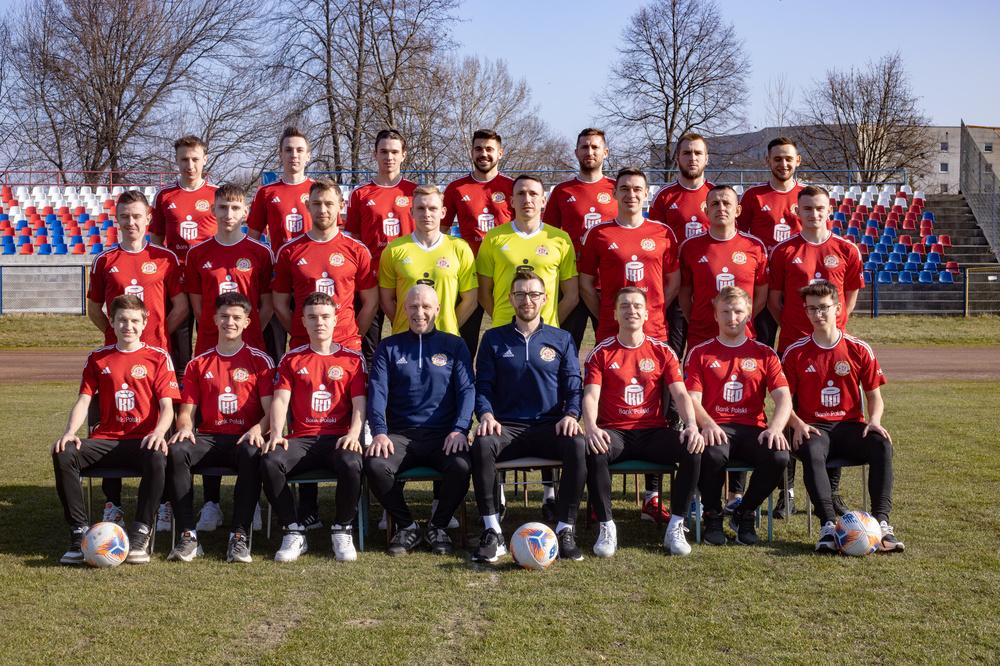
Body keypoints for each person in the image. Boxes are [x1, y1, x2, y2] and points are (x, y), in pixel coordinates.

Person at [271, 178, 377, 530]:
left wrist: (352, 333)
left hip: (347, 349)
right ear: (307, 206)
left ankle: (351, 506)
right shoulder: (290, 250)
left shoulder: (356, 249)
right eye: (316, 203)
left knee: (347, 421)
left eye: (329, 203)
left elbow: (370, 301)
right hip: (304, 350)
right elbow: (279, 302)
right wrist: (300, 331)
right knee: (304, 423)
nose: (323, 209)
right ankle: (308, 507)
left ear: (340, 206)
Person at [579, 167, 680, 522]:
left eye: (637, 188)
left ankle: (652, 498)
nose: (631, 194)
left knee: (659, 416)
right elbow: (587, 285)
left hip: (655, 335)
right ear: (614, 194)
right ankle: (599, 498)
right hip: (611, 336)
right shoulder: (599, 234)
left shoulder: (662, 233)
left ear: (646, 193)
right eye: (624, 188)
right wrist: (610, 317)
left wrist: (651, 313)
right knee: (607, 410)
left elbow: (672, 282)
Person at [85, 190, 187, 531]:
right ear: (117, 220)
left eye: (137, 216)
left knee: (161, 427)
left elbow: (181, 306)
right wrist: (115, 335)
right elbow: (93, 308)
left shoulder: (165, 258)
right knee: (111, 424)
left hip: (156, 358)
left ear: (148, 219)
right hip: (116, 360)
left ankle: (164, 503)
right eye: (125, 216)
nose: (131, 222)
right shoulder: (104, 260)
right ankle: (112, 504)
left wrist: (153, 336)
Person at [476, 174, 578, 517]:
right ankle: (500, 494)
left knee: (547, 405)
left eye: (534, 193)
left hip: (546, 338)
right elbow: (485, 291)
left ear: (543, 200)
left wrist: (549, 321)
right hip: (505, 337)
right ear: (511, 200)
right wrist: (503, 319)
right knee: (504, 406)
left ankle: (550, 494)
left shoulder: (559, 239)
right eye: (520, 193)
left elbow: (571, 293)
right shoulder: (494, 239)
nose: (527, 199)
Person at [52, 295, 179, 565]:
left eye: (134, 321)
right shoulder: (97, 358)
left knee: (158, 455)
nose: (128, 326)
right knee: (64, 452)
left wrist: (159, 432)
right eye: (122, 320)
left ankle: (141, 532)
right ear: (111, 321)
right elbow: (84, 400)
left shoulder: (158, 357)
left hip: (141, 442)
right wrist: (70, 432)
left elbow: (167, 407)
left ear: (144, 323)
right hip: (105, 440)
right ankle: (79, 533)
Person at [470, 271, 587, 563]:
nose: (527, 300)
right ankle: (493, 531)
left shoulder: (561, 338)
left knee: (577, 445)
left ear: (545, 299)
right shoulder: (493, 339)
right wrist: (486, 414)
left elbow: (574, 385)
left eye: (534, 294)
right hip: (506, 427)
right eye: (520, 294)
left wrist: (571, 414)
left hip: (549, 427)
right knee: (482, 445)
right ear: (511, 298)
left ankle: (565, 529)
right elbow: (482, 386)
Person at [782, 281, 903, 553]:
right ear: (806, 311)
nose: (818, 314)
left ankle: (882, 524)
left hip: (850, 427)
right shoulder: (795, 352)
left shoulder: (859, 348)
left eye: (824, 307)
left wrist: (875, 420)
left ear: (837, 308)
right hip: (814, 428)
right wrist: (797, 423)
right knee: (812, 449)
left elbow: (874, 396)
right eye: (812, 309)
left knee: (881, 444)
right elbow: (783, 400)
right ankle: (827, 526)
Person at [582, 287, 704, 557]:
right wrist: (591, 428)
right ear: (615, 314)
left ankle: (676, 526)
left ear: (647, 314)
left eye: (637, 306)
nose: (632, 311)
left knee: (692, 447)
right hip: (615, 433)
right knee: (594, 448)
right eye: (624, 306)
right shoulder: (601, 352)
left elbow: (680, 394)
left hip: (653, 433)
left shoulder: (663, 351)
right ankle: (607, 527)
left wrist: (692, 426)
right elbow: (591, 395)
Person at [768, 185, 864, 515]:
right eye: (807, 208)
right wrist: (798, 331)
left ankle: (831, 491)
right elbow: (775, 301)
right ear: (797, 212)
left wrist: (830, 331)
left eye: (819, 208)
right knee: (789, 413)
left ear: (829, 210)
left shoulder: (847, 249)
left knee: (833, 415)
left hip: (833, 349)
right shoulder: (783, 251)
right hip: (793, 347)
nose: (814, 214)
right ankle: (787, 491)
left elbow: (849, 298)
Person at [364, 285, 475, 556]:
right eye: (413, 306)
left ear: (438, 309)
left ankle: (438, 526)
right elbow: (377, 392)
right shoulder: (388, 347)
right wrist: (379, 432)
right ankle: (407, 526)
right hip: (400, 435)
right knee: (375, 465)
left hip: (443, 436)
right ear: (404, 309)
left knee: (461, 466)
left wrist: (460, 429)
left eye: (426, 307)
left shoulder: (455, 345)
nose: (419, 313)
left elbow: (467, 390)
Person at [166, 292, 274, 563]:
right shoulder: (198, 363)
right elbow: (186, 412)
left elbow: (271, 412)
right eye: (224, 316)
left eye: (237, 317)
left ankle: (239, 536)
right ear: (214, 319)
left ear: (247, 322)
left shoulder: (260, 361)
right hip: (209, 438)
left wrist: (258, 429)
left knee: (253, 452)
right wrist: (185, 427)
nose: (230, 322)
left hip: (244, 438)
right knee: (177, 450)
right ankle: (188, 535)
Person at [261, 292, 367, 563]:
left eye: (325, 317)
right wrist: (276, 434)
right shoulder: (291, 359)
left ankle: (342, 529)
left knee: (352, 463)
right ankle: (293, 530)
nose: (319, 322)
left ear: (335, 320)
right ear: (303, 322)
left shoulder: (353, 359)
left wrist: (354, 434)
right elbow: (280, 400)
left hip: (339, 439)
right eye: (313, 317)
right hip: (302, 439)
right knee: (271, 461)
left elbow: (360, 403)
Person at [685, 286, 793, 546]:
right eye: (725, 312)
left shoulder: (765, 353)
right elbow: (691, 398)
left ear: (748, 315)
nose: (732, 318)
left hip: (752, 428)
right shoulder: (700, 352)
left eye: (738, 312)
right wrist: (707, 424)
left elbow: (783, 398)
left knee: (779, 456)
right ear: (715, 315)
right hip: (716, 427)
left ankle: (745, 512)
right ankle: (712, 515)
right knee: (711, 454)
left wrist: (775, 428)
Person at [345, 128, 417, 360]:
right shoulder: (360, 194)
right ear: (374, 154)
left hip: (405, 277)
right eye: (384, 151)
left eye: (395, 152)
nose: (389, 157)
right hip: (370, 280)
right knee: (369, 346)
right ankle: (368, 381)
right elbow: (353, 240)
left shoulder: (414, 192)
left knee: (409, 339)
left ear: (404, 154)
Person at [149, 134, 218, 376]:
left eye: (195, 159)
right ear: (176, 161)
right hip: (176, 277)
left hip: (209, 276)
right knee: (179, 336)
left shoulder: (217, 194)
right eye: (184, 159)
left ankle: (210, 381)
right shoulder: (164, 196)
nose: (190, 165)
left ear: (205, 159)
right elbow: (156, 241)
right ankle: (179, 384)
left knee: (211, 331)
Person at [542, 128, 617, 350]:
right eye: (584, 147)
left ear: (605, 152)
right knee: (563, 346)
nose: (589, 152)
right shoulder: (562, 191)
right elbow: (548, 236)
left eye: (595, 147)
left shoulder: (617, 189)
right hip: (571, 280)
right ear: (576, 152)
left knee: (610, 345)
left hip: (606, 281)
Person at [442, 129, 514, 356]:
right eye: (478, 149)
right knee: (464, 338)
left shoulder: (513, 187)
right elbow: (441, 232)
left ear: (500, 153)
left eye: (489, 149)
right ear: (472, 152)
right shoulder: (456, 188)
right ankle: (461, 376)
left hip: (503, 271)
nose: (484, 154)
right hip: (468, 272)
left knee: (509, 332)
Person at [246, 126, 315, 363]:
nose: (294, 155)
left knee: (309, 340)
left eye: (299, 150)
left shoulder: (318, 191)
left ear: (308, 155)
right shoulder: (266, 192)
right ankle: (274, 380)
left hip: (310, 276)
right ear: (280, 154)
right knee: (274, 346)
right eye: (288, 150)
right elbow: (252, 238)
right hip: (278, 277)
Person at [379, 185, 478, 336]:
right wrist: (405, 325)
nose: (427, 214)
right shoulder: (394, 250)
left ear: (443, 212)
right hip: (405, 339)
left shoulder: (460, 248)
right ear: (412, 212)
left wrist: (449, 328)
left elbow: (470, 300)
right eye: (420, 208)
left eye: (433, 208)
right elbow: (386, 299)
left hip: (445, 339)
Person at [678, 185, 768, 351]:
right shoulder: (690, 247)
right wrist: (699, 321)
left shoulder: (755, 246)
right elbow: (684, 294)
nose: (721, 208)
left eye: (726, 203)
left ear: (738, 210)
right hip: (701, 337)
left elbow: (762, 294)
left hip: (742, 336)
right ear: (706, 211)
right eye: (715, 204)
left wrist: (742, 318)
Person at [647, 133, 713, 358]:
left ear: (707, 158)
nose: (692, 158)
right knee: (672, 354)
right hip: (674, 286)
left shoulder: (717, 195)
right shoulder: (664, 196)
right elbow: (654, 241)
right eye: (686, 153)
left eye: (698, 153)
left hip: (707, 286)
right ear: (677, 158)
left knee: (708, 352)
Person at [737, 137, 805, 348]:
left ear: (798, 160)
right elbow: (739, 237)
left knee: (799, 341)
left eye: (788, 159)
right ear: (768, 160)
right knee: (762, 344)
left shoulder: (807, 196)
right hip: (764, 281)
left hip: (795, 279)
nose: (783, 164)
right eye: (777, 159)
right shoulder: (753, 195)